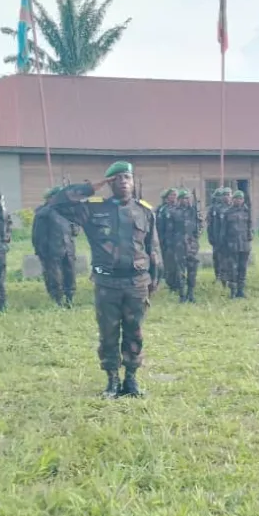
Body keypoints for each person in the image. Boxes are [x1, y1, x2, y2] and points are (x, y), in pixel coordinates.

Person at [51, 161, 161, 398]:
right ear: (110, 183)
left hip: (136, 283)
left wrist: (154, 279)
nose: (123, 182)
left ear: (133, 181)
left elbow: (153, 248)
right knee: (108, 333)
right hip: (107, 284)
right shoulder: (92, 209)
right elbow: (57, 203)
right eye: (117, 178)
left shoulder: (144, 211)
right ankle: (112, 380)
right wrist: (93, 187)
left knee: (135, 332)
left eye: (127, 177)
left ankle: (131, 380)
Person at [32, 186, 79, 307]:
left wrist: (75, 226)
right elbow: (38, 234)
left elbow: (75, 230)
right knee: (54, 276)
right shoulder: (43, 212)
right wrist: (40, 251)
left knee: (70, 274)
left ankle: (69, 299)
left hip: (68, 248)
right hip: (51, 250)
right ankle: (57, 300)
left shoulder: (67, 210)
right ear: (51, 198)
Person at [166, 188, 202, 303]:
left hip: (192, 245)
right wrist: (170, 245)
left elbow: (200, 225)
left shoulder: (193, 211)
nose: (186, 200)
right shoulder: (173, 212)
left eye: (188, 198)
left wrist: (198, 234)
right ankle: (182, 295)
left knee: (192, 270)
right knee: (180, 271)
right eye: (184, 198)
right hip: (179, 245)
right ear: (179, 199)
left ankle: (190, 294)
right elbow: (169, 231)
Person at [222, 190, 253, 298]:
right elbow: (223, 231)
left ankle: (241, 291)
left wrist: (249, 239)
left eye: (240, 198)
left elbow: (249, 226)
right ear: (232, 199)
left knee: (242, 268)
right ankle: (233, 292)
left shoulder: (246, 211)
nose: (238, 200)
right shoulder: (227, 212)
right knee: (232, 269)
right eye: (236, 198)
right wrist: (224, 245)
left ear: (243, 200)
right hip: (232, 245)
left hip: (244, 245)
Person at [156, 189, 179, 292]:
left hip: (178, 241)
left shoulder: (180, 209)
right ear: (167, 197)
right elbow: (159, 226)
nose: (174, 197)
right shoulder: (162, 210)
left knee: (178, 263)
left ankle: (178, 283)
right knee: (169, 263)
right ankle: (171, 284)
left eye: (175, 195)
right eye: (172, 195)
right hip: (165, 240)